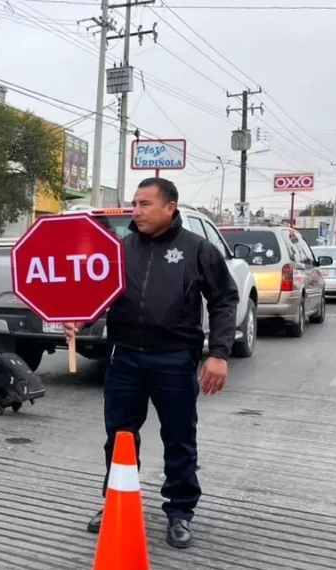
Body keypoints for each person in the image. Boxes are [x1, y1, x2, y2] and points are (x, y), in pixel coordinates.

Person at [65, 177, 237, 549]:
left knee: (179, 438)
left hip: (175, 361)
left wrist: (219, 354)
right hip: (125, 358)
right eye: (134, 203)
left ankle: (180, 512)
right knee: (120, 438)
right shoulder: (119, 249)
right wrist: (78, 317)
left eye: (144, 204)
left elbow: (224, 299)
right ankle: (114, 502)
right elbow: (96, 294)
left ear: (169, 208)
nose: (135, 211)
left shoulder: (198, 250)